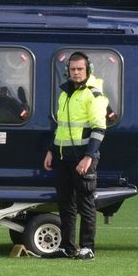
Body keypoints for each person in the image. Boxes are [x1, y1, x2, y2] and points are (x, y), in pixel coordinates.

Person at [44, 51, 109, 260]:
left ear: (88, 70)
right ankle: (67, 247)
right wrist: (51, 151)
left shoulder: (94, 95)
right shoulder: (64, 94)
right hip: (63, 158)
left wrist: (88, 157)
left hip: (83, 158)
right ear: (67, 71)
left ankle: (87, 248)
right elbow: (60, 128)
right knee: (65, 204)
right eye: (73, 69)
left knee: (86, 204)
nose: (76, 72)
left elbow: (99, 128)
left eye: (80, 69)